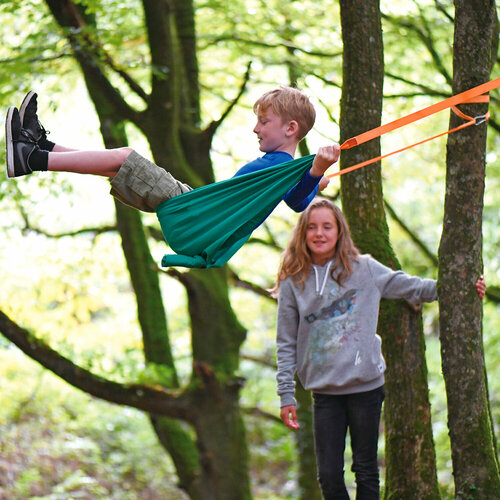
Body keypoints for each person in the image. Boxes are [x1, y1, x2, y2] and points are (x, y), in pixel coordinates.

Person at [273, 197, 486, 499]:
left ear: (339, 232)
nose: (319, 233)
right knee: (329, 476)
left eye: (327, 227)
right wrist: (286, 394)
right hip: (324, 393)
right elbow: (285, 341)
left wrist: (461, 286)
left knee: (366, 470)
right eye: (312, 228)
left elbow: (410, 286)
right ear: (302, 234)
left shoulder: (365, 269)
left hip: (365, 388)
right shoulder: (293, 281)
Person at [5, 87, 339, 215]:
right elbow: (297, 198)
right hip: (196, 206)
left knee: (124, 157)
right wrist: (313, 181)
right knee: (119, 166)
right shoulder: (283, 169)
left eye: (263, 122)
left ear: (290, 128)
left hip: (195, 210)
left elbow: (295, 201)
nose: (256, 128)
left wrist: (314, 173)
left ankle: (32, 158)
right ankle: (42, 146)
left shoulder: (280, 165)